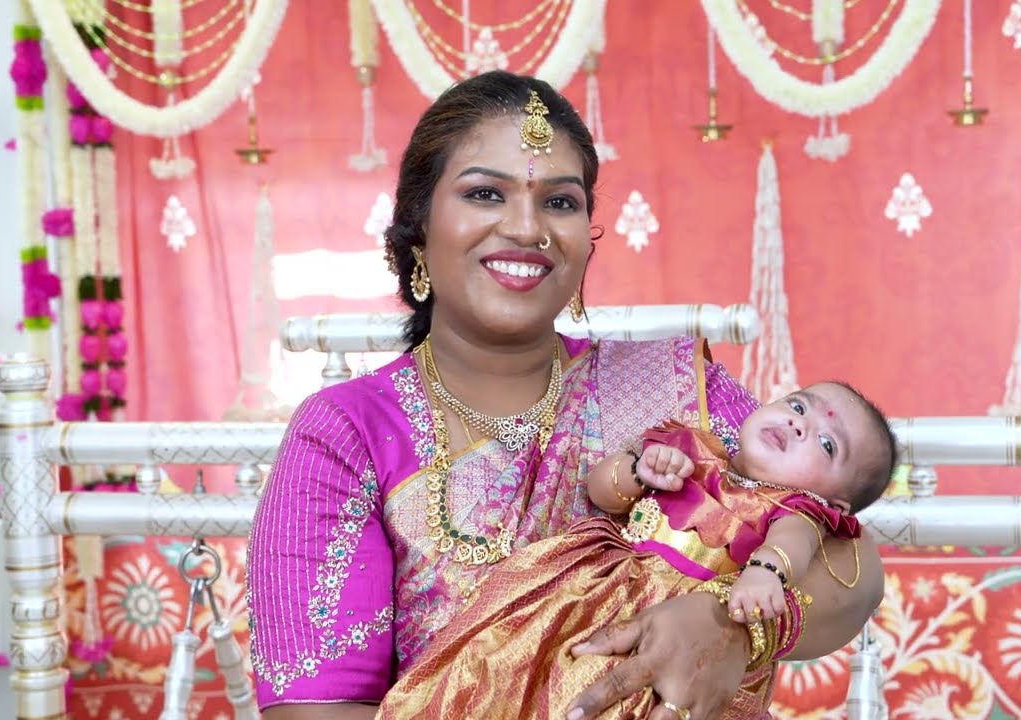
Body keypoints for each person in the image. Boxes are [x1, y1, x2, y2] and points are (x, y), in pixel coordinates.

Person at [246, 70, 886, 720]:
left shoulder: (674, 389)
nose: (527, 229)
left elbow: (849, 564)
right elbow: (316, 711)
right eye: (485, 193)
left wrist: (730, 628)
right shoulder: (346, 431)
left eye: (559, 202)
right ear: (418, 223)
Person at [374, 382, 896, 719]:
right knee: (515, 666)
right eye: (799, 406)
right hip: (589, 591)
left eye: (827, 444)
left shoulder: (798, 512)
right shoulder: (692, 444)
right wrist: (637, 471)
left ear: (836, 501)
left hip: (686, 621)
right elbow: (603, 493)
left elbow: (792, 549)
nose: (800, 424)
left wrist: (762, 576)